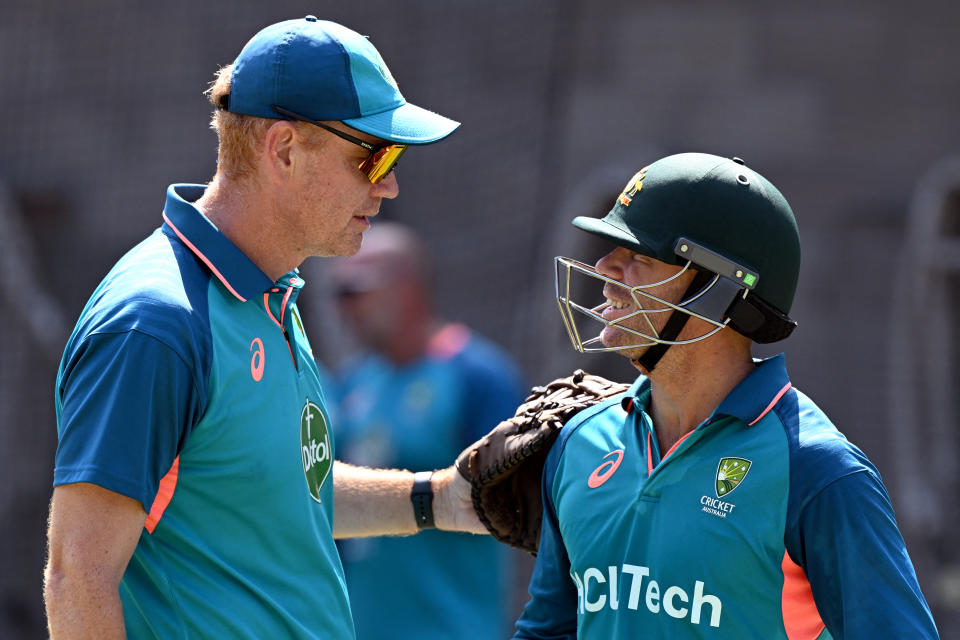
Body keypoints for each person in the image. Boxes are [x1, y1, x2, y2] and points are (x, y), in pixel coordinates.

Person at [45, 17, 482, 639]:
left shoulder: (268, 292)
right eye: (373, 155)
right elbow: (77, 578)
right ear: (283, 150)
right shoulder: (156, 324)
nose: (388, 185)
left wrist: (440, 498)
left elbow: (276, 489)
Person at [514, 152, 940, 639]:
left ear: (717, 291)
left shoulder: (819, 471)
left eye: (639, 258)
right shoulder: (579, 441)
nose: (604, 268)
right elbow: (548, 631)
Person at [322, 221, 528, 639]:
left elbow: (518, 510)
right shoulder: (351, 384)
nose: (347, 308)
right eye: (339, 294)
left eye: (356, 291)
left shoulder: (477, 376)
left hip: (452, 628)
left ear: (406, 286)